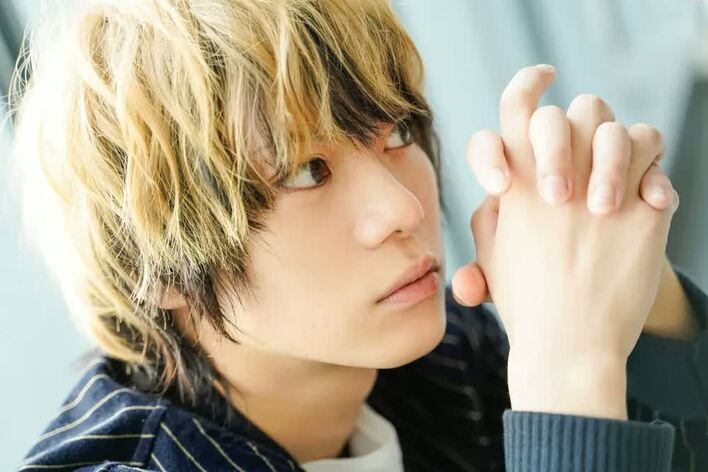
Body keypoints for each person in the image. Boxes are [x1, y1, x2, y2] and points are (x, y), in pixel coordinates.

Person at [8, 0, 707, 470]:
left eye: (398, 131)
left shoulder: (444, 364)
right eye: (305, 172)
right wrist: (567, 377)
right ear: (158, 266)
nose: (402, 207)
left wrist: (632, 293)